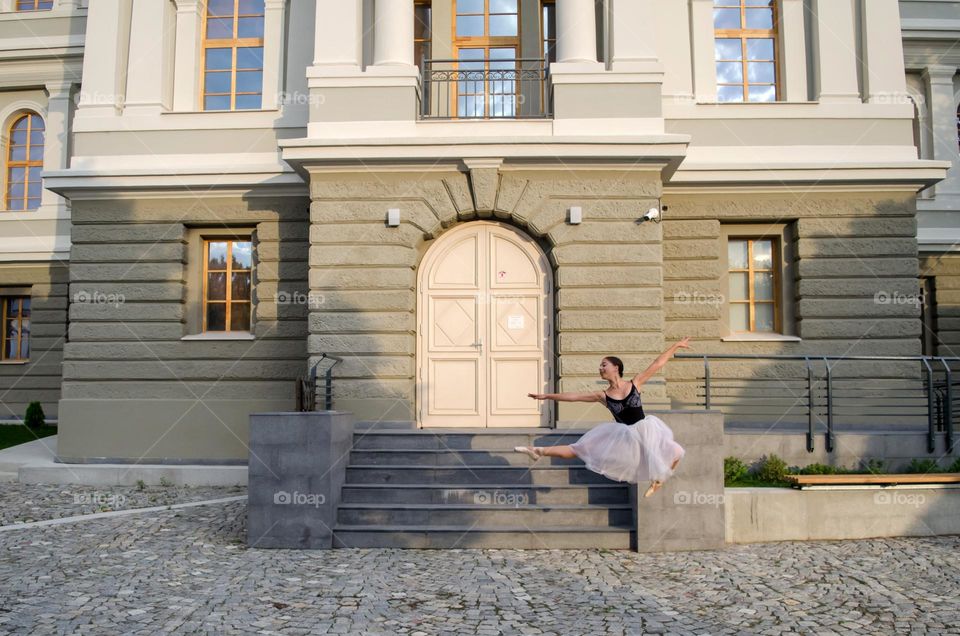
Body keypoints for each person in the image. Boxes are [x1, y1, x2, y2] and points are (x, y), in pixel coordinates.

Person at [515, 338, 691, 498]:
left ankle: (659, 481)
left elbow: (657, 363)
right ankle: (538, 451)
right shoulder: (603, 396)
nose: (600, 368)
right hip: (625, 437)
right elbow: (574, 397)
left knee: (676, 452)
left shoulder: (635, 383)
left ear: (616, 367)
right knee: (580, 448)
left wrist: (675, 346)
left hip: (646, 431)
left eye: (603, 364)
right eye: (600, 366)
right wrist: (547, 396)